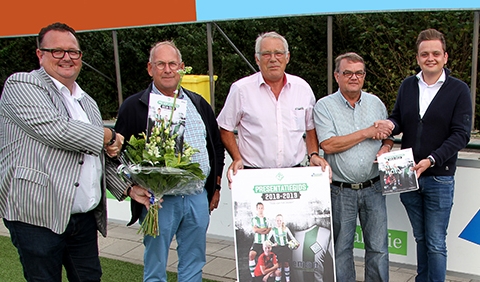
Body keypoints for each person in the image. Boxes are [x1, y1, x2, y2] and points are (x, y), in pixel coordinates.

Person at [0, 22, 128, 281]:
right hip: (37, 216)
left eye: (73, 52)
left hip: (83, 219)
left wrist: (127, 187)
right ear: (40, 54)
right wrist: (109, 135)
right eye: (57, 51)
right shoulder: (21, 84)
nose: (67, 57)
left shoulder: (87, 101)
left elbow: (98, 155)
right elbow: (57, 130)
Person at [114, 40, 225, 281]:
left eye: (172, 64)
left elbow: (216, 145)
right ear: (150, 68)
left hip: (196, 197)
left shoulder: (198, 103)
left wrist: (214, 187)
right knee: (155, 265)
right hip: (158, 200)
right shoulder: (134, 106)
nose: (167, 69)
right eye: (160, 64)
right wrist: (134, 186)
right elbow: (119, 153)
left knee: (194, 262)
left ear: (182, 67)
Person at [382, 28, 472, 281]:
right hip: (407, 175)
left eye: (435, 53)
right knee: (421, 238)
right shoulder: (408, 85)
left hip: (438, 177)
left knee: (435, 242)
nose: (429, 58)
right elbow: (399, 118)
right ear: (418, 57)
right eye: (424, 54)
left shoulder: (459, 90)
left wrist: (431, 159)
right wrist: (389, 125)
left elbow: (460, 134)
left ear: (445, 56)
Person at [313, 52, 393, 281]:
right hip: (340, 191)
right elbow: (328, 144)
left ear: (364, 76)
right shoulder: (324, 106)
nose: (354, 77)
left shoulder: (375, 103)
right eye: (347, 72)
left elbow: (388, 135)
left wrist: (386, 147)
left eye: (359, 73)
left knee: (378, 249)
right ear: (337, 76)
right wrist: (367, 132)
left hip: (374, 188)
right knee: (341, 250)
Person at [216, 31, 329, 178]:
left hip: (294, 174)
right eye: (266, 54)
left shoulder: (303, 88)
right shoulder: (241, 89)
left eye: (278, 53)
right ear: (257, 59)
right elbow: (225, 127)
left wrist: (313, 154)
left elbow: (310, 128)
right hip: (253, 174)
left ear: (287, 57)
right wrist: (237, 158)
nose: (273, 59)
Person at [267, 214, 299, 282]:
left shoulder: (286, 228)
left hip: (286, 248)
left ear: (282, 221)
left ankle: (288, 280)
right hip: (278, 249)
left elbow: (292, 237)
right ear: (275, 221)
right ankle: (279, 280)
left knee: (286, 264)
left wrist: (296, 243)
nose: (279, 222)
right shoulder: (273, 230)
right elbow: (267, 240)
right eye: (277, 220)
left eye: (280, 220)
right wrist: (273, 245)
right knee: (279, 265)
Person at [249, 202, 271, 278]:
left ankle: (264, 275)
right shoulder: (254, 219)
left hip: (265, 243)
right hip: (257, 242)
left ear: (263, 209)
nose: (260, 210)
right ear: (256, 209)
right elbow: (255, 230)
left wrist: (259, 229)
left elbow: (268, 230)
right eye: (259, 208)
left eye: (262, 208)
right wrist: (264, 229)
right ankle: (253, 276)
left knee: (266, 261)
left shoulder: (267, 219)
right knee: (251, 255)